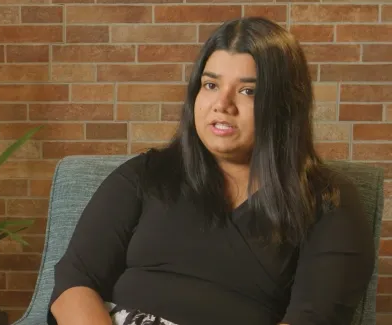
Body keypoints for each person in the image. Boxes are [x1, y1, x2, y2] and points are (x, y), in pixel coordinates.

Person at [48, 17, 374, 325]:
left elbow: (312, 319)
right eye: (211, 85)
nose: (222, 104)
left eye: (249, 90)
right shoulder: (144, 175)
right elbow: (74, 283)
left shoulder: (329, 202)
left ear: (286, 105)